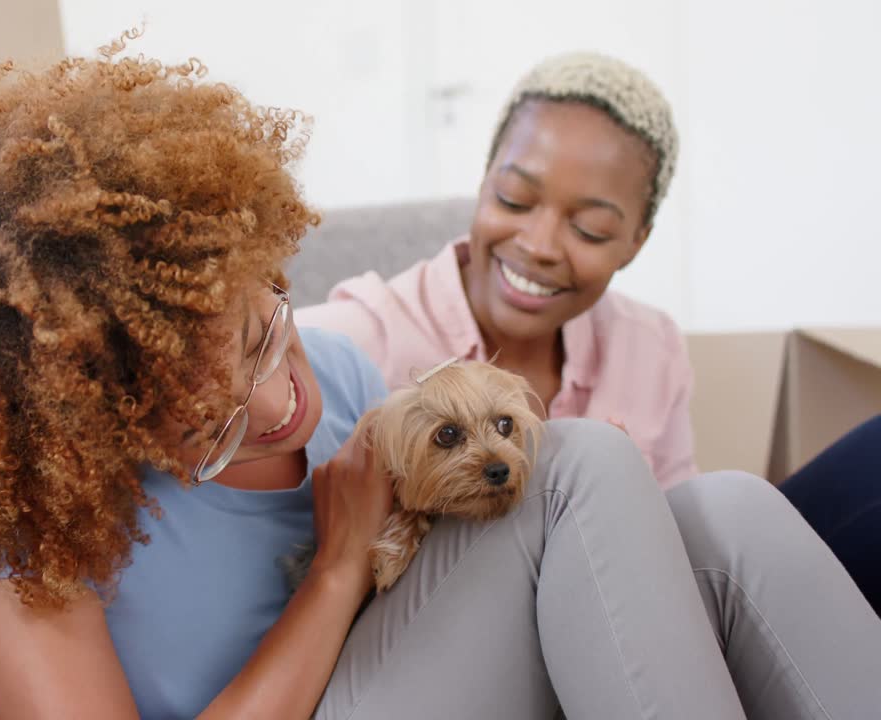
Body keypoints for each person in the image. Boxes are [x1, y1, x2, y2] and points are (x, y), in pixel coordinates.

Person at [0, 40, 881, 720]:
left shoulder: (345, 369)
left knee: (725, 516)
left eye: (264, 331)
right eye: (208, 427)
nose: (281, 407)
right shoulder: (18, 523)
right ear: (101, 427)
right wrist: (336, 569)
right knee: (577, 465)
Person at [298, 51, 881, 615]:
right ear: (484, 181)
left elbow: (685, 533)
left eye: (591, 229)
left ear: (636, 242)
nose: (539, 247)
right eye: (514, 199)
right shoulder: (348, 342)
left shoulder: (649, 347)